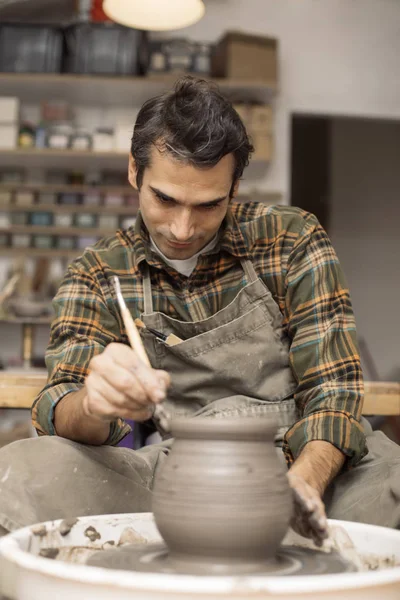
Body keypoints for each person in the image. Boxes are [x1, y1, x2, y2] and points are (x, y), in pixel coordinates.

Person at [0, 77, 399, 542]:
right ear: (135, 171)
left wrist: (303, 486)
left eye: (208, 205)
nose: (183, 228)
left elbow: (333, 389)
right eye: (165, 199)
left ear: (234, 188)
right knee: (21, 474)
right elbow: (56, 403)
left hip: (300, 459)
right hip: (178, 471)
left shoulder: (290, 239)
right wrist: (93, 403)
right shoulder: (98, 271)